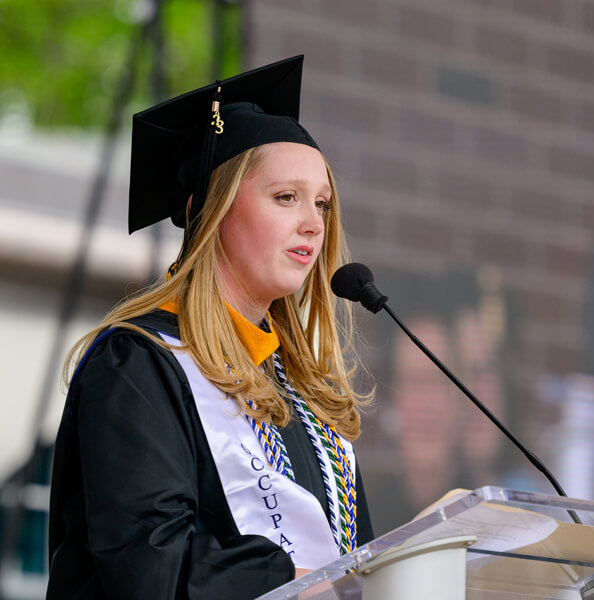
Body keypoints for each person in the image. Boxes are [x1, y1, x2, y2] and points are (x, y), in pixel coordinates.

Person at [46, 56, 373, 599]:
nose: (314, 223)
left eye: (321, 203)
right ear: (211, 210)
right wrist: (299, 587)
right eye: (285, 197)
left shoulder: (304, 392)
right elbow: (148, 567)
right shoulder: (139, 365)